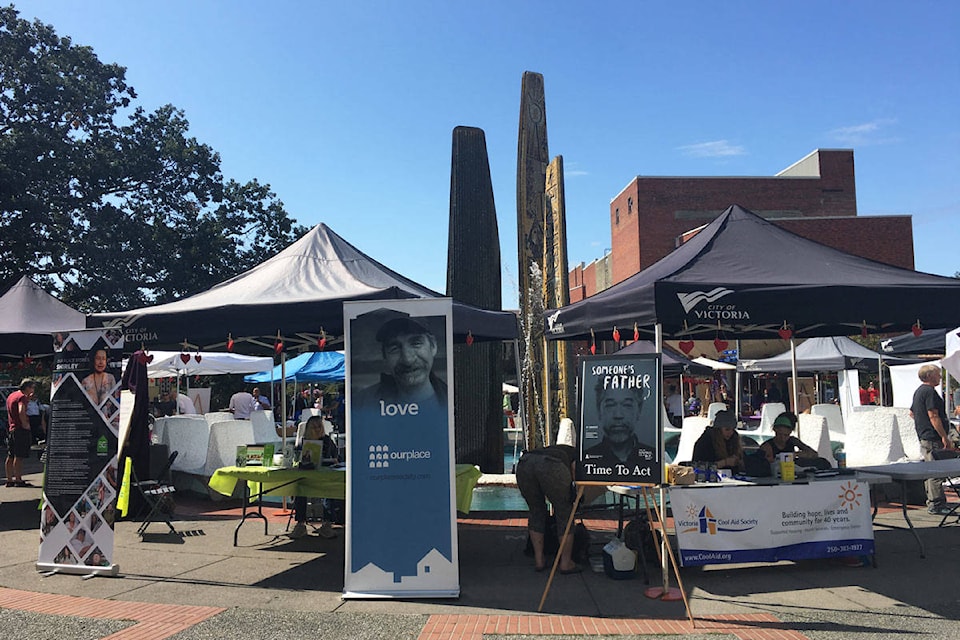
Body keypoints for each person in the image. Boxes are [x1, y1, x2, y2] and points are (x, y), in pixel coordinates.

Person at [515, 443, 581, 574]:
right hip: (552, 465)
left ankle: (539, 560)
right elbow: (575, 470)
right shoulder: (577, 453)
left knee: (536, 510)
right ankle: (566, 563)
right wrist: (577, 494)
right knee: (564, 512)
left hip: (525, 463)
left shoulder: (556, 449)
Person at [355, 316, 447, 409]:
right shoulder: (360, 404)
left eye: (416, 343)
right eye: (394, 348)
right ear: (384, 356)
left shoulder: (457, 399)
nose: (408, 360)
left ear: (433, 346)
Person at [909, 364, 956, 516]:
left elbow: (912, 412)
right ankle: (936, 503)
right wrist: (943, 435)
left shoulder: (918, 392)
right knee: (936, 470)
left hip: (924, 435)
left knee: (930, 469)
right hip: (932, 436)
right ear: (929, 376)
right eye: (937, 374)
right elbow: (933, 415)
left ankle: (933, 500)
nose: (940, 377)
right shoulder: (929, 392)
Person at [583, 382, 655, 470]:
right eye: (610, 405)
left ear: (638, 410)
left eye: (627, 405)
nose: (618, 415)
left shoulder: (655, 458)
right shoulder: (585, 459)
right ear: (599, 410)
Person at [289, 416, 339, 539]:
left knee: (330, 490)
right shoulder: (302, 441)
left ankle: (327, 524)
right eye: (314, 427)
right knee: (299, 488)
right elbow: (296, 459)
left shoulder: (327, 440)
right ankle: (300, 524)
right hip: (307, 476)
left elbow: (337, 458)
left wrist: (332, 460)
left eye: (319, 427)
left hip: (324, 476)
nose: (317, 429)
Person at [758, 412, 828, 468]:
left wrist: (795, 454)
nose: (782, 438)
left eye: (786, 435)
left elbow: (814, 454)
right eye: (779, 434)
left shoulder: (793, 441)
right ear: (774, 430)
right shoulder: (767, 447)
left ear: (790, 432)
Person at [5, 379, 36, 487]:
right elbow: (21, 410)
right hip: (20, 429)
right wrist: (25, 424)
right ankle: (18, 479)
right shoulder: (22, 397)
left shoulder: (12, 395)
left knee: (11, 455)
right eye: (32, 387)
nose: (33, 390)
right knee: (19, 456)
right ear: (27, 388)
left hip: (12, 428)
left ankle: (9, 479)